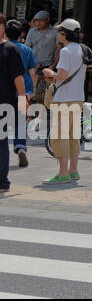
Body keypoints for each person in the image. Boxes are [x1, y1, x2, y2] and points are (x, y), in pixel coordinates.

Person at [42, 18, 89, 185]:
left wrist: (50, 73)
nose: (57, 34)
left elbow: (61, 75)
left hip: (64, 99)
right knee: (73, 135)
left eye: (59, 31)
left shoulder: (66, 51)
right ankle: (73, 170)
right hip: (78, 97)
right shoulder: (83, 50)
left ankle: (62, 173)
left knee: (59, 136)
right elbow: (80, 75)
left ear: (65, 34)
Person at [0, 21, 26, 193]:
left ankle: (2, 181)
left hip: (3, 103)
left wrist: (23, 100)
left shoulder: (10, 50)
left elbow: (18, 78)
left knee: (0, 142)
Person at [9, 20, 35, 168]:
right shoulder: (27, 50)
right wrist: (33, 91)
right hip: (23, 91)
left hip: (6, 90)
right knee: (20, 121)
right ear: (22, 34)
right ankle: (20, 147)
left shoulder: (3, 48)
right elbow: (32, 73)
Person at [26, 10, 58, 106]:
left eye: (41, 21)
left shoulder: (55, 32)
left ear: (47, 20)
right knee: (30, 95)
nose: (38, 23)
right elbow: (27, 48)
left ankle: (41, 118)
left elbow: (60, 50)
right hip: (33, 68)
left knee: (44, 96)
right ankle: (30, 117)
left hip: (48, 66)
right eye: (36, 21)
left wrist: (53, 66)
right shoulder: (32, 31)